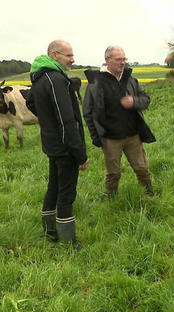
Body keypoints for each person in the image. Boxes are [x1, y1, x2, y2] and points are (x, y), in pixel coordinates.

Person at [27, 39, 89, 249]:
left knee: (53, 187)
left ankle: (49, 230)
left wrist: (47, 123)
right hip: (65, 147)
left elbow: (30, 102)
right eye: (68, 55)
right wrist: (80, 154)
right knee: (66, 193)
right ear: (54, 55)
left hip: (52, 145)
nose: (72, 59)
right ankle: (69, 241)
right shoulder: (55, 79)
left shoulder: (39, 77)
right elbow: (67, 120)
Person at [83, 46, 155, 197]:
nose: (122, 63)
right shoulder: (95, 83)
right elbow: (88, 112)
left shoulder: (130, 80)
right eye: (118, 59)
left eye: (124, 59)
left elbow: (146, 100)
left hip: (133, 135)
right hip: (110, 138)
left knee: (142, 168)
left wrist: (133, 101)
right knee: (113, 173)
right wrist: (96, 136)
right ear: (107, 60)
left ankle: (149, 195)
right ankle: (111, 199)